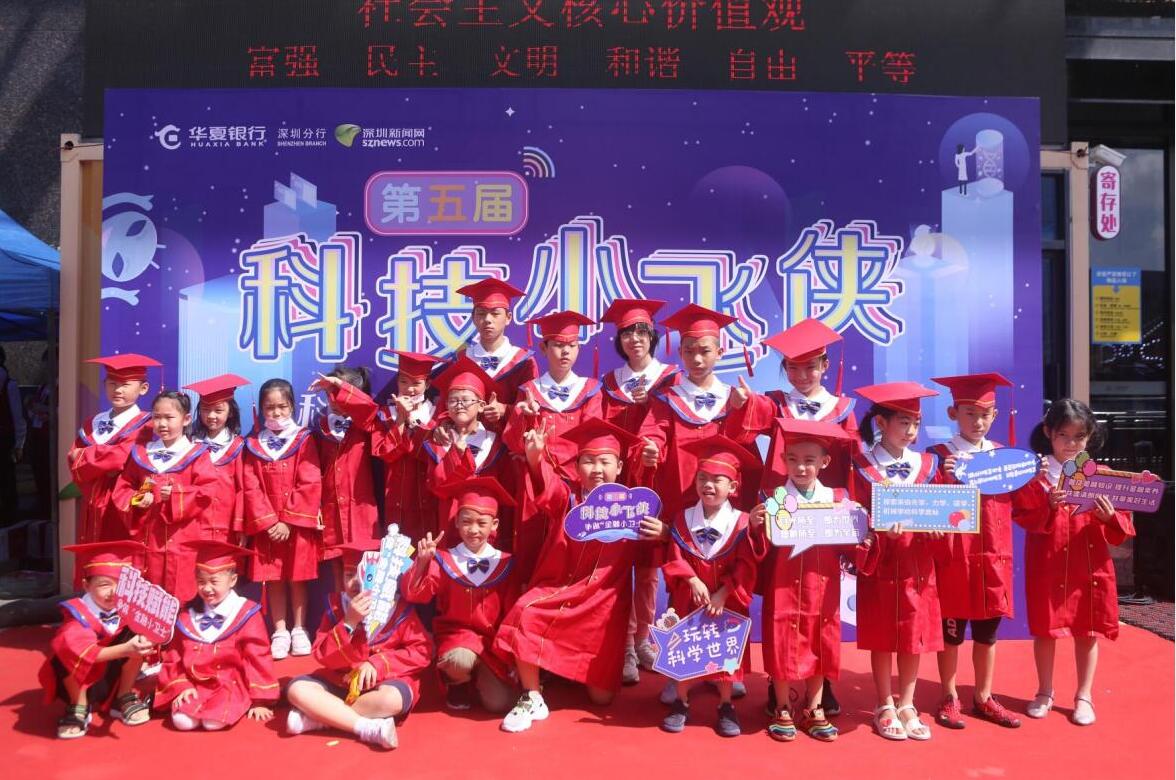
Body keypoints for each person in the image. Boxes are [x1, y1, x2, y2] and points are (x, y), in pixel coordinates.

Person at [493, 418, 666, 733]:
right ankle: (532, 695)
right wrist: (536, 459)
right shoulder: (569, 499)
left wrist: (663, 532)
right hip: (560, 590)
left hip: (603, 606)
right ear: (576, 467)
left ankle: (560, 668)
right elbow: (548, 489)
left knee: (602, 698)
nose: (596, 469)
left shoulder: (632, 509)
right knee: (525, 612)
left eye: (605, 462)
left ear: (619, 466)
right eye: (588, 461)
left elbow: (657, 549)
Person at [1012, 398, 1135, 727]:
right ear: (1048, 433)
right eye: (1063, 435)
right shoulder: (1037, 477)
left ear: (1090, 436)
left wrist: (1109, 517)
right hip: (1048, 562)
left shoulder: (1103, 476)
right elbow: (1023, 515)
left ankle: (1084, 695)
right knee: (1045, 630)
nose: (1071, 444)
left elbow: (1123, 525)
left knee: (1087, 628)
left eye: (1079, 437)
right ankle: (1044, 691)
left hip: (1088, 563)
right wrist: (1048, 505)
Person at [849, 381, 947, 742]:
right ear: (881, 423)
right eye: (904, 422)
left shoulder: (928, 465)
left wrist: (939, 530)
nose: (911, 431)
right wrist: (876, 532)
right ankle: (884, 703)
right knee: (882, 634)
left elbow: (943, 511)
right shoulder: (861, 466)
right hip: (882, 562)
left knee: (914, 635)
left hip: (917, 565)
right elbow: (854, 517)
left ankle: (907, 703)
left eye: (915, 423)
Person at [755, 419, 858, 743]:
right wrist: (755, 527)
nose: (800, 467)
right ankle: (782, 706)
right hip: (783, 587)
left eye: (809, 460)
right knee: (781, 640)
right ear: (783, 460)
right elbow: (759, 551)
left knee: (820, 641)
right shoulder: (772, 499)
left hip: (822, 587)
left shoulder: (837, 500)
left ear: (825, 462)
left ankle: (815, 707)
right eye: (793, 459)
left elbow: (851, 546)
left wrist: (863, 533)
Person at [928, 373, 1021, 729]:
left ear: (995, 416)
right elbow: (928, 509)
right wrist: (946, 477)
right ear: (953, 413)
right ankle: (949, 695)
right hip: (954, 560)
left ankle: (984, 696)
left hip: (993, 559)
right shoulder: (938, 458)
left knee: (987, 635)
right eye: (969, 413)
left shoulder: (1004, 458)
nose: (977, 421)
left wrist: (1035, 479)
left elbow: (1024, 505)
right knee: (951, 635)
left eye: (985, 414)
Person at [285, 540, 434, 751]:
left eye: (366, 575)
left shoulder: (399, 609)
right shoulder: (337, 606)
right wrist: (349, 623)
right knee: (297, 689)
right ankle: (365, 727)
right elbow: (322, 655)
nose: (356, 582)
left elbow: (422, 651)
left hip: (383, 684)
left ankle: (321, 717)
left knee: (392, 700)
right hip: (341, 680)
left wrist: (377, 663)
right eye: (349, 575)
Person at [598, 298, 679, 685]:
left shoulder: (670, 379)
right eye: (627, 332)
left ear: (653, 336)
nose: (635, 339)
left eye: (642, 331)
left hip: (653, 482)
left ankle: (643, 638)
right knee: (616, 566)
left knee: (647, 569)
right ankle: (624, 644)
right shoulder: (609, 383)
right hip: (618, 483)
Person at [659, 435, 760, 737]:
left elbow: (746, 565)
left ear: (733, 487)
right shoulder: (682, 519)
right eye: (702, 478)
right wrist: (691, 579)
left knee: (726, 653)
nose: (708, 485)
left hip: (726, 603)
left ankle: (726, 705)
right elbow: (673, 557)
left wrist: (724, 592)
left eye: (718, 480)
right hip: (689, 600)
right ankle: (681, 701)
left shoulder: (741, 523)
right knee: (685, 648)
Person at [402, 477, 520, 713]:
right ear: (456, 521)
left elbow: (512, 614)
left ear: (494, 525)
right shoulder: (444, 559)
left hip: (491, 645)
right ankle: (458, 683)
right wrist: (422, 562)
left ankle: (478, 679)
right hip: (456, 639)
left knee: (499, 704)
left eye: (482, 523)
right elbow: (415, 595)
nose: (473, 530)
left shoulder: (506, 563)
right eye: (466, 521)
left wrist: (513, 655)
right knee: (460, 661)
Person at [638, 304, 759, 520]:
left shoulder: (733, 398)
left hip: (725, 500)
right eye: (689, 351)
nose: (696, 359)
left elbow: (745, 450)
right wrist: (650, 449)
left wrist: (742, 410)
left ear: (720, 353)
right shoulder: (667, 399)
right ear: (680, 353)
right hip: (677, 496)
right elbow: (653, 432)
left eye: (705, 351)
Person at [156, 540, 278, 731]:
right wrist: (182, 686)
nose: (207, 588)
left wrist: (259, 701)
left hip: (230, 683)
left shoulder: (246, 612)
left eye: (214, 582)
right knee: (182, 722)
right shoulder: (188, 615)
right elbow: (174, 657)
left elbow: (257, 657)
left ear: (233, 581)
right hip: (194, 684)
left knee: (213, 722)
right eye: (201, 582)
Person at [38, 541, 154, 738]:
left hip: (112, 677)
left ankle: (123, 695)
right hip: (81, 680)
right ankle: (78, 706)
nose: (114, 592)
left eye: (121, 585)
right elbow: (78, 652)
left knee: (139, 634)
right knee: (64, 652)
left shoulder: (130, 611)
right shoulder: (77, 615)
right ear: (86, 586)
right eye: (104, 584)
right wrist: (126, 650)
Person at [242, 378, 323, 660]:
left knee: (297, 577)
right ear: (261, 409)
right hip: (268, 527)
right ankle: (279, 631)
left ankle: (299, 628)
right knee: (273, 577)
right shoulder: (254, 444)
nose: (276, 413)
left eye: (282, 406)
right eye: (269, 407)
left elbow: (309, 480)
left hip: (295, 525)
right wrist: (268, 521)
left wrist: (288, 520)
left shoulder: (303, 439)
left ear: (292, 406)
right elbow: (250, 485)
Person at [113, 390, 216, 603]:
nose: (162, 424)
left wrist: (178, 494)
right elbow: (124, 487)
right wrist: (137, 498)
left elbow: (207, 491)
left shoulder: (196, 455)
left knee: (179, 592)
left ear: (186, 419)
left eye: (169, 417)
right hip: (147, 537)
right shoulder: (141, 454)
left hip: (181, 538)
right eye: (157, 417)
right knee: (146, 594)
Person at [421, 357, 521, 562]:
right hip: (449, 524)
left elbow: (508, 489)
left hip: (486, 530)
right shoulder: (437, 443)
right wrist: (455, 454)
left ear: (481, 405)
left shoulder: (497, 444)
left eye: (466, 400)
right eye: (453, 400)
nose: (459, 406)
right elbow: (436, 486)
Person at [68, 353, 159, 547]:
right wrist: (102, 463)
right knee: (93, 556)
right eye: (112, 383)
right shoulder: (93, 423)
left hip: (125, 501)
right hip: (93, 501)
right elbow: (72, 458)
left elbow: (120, 458)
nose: (117, 390)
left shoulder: (147, 425)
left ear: (143, 388)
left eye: (125, 384)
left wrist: (86, 457)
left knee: (119, 555)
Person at [504, 310, 603, 472]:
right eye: (558, 345)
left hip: (577, 477)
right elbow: (514, 445)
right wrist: (522, 416)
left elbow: (593, 440)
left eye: (572, 345)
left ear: (578, 348)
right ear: (543, 348)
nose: (566, 351)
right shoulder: (529, 391)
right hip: (538, 475)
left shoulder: (590, 391)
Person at [309, 366, 381, 585]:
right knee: (338, 571)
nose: (333, 399)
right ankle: (342, 608)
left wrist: (340, 385)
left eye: (337, 393)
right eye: (329, 393)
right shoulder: (320, 428)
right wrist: (314, 507)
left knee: (364, 572)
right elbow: (313, 472)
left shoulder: (366, 424)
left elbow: (368, 408)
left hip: (360, 511)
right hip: (331, 509)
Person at [371, 351, 446, 541]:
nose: (410, 389)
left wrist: (417, 425)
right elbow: (384, 453)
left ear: (427, 384)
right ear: (397, 382)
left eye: (416, 383)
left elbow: (433, 456)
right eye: (404, 382)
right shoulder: (385, 414)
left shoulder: (438, 415)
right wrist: (401, 420)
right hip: (395, 494)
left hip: (428, 494)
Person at [457, 278, 539, 426]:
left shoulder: (524, 362)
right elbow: (447, 404)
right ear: (473, 318)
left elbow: (531, 409)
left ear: (508, 318)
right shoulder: (462, 359)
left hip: (509, 438)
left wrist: (505, 410)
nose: (488, 319)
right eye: (481, 313)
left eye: (495, 313)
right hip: (469, 437)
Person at [184, 373, 251, 543]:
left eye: (218, 410)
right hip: (194, 522)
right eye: (206, 409)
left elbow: (242, 489)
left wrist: (240, 525)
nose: (211, 416)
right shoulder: (189, 444)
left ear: (230, 412)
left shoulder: (239, 446)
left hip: (227, 525)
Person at [0, 345, 27, 524]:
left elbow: (17, 417)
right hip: (6, 436)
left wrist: (19, 443)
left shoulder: (9, 385)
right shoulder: (9, 384)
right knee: (6, 477)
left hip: (4, 437)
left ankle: (9, 515)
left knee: (6, 477)